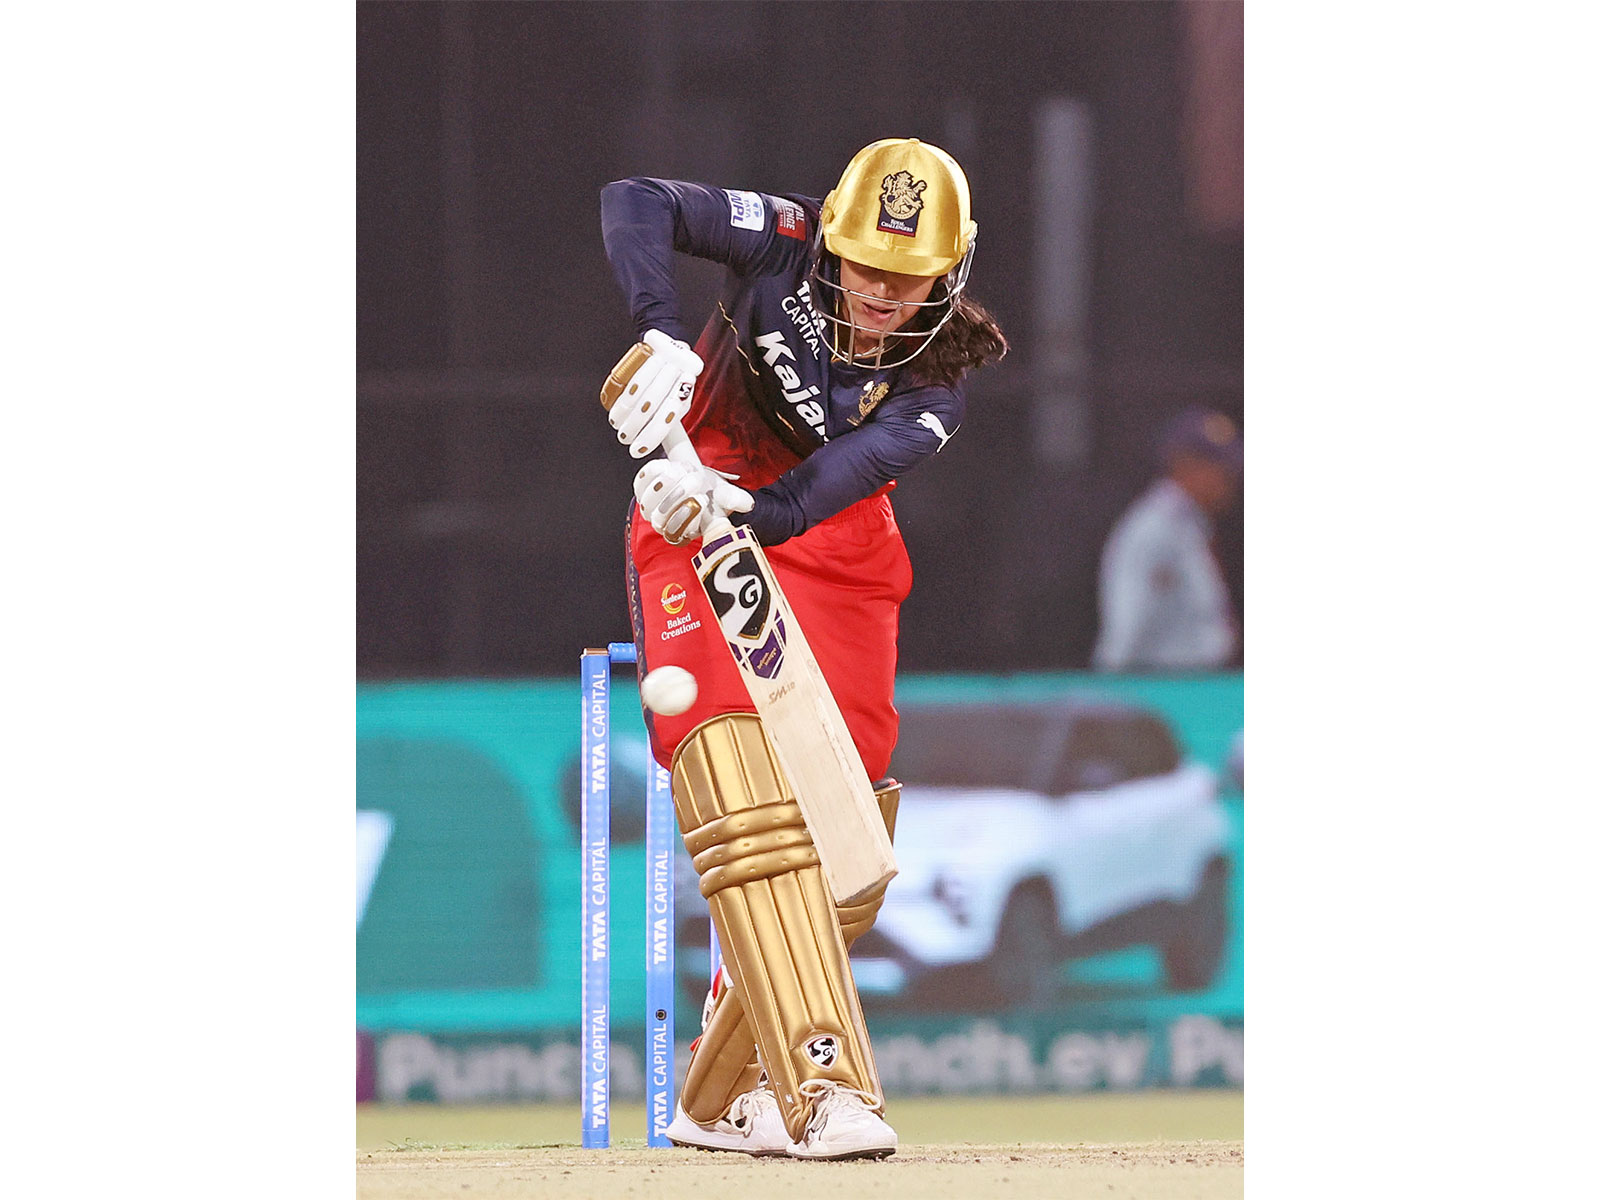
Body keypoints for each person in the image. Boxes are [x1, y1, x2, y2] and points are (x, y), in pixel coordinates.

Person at [598, 139, 1007, 1159]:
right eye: (868, 264)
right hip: (692, 511)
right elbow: (636, 197)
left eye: (908, 277)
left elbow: (799, 505)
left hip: (828, 537)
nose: (880, 292)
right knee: (734, 768)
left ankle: (720, 1094)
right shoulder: (779, 241)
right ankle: (821, 1087)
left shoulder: (933, 396)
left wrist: (735, 503)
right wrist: (659, 339)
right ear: (830, 237)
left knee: (846, 835)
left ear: (947, 276)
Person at [1091, 407, 1242, 672]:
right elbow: (1128, 620)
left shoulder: (1191, 525)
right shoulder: (1153, 527)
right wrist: (1112, 686)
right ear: (1184, 463)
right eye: (1219, 468)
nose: (1229, 479)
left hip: (1202, 682)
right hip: (1165, 686)